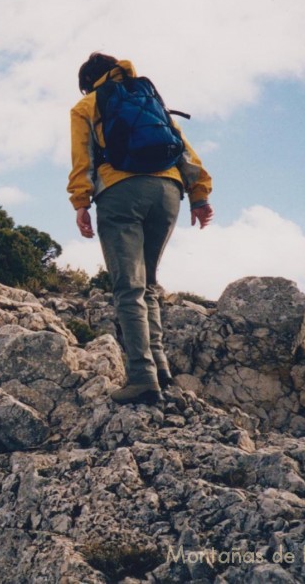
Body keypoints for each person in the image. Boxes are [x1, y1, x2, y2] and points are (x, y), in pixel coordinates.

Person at [68, 52, 213, 406]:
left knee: (128, 288)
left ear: (89, 82)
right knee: (148, 283)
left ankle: (141, 377)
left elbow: (82, 157)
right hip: (168, 191)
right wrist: (199, 195)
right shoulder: (148, 97)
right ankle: (161, 368)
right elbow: (183, 147)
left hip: (121, 191)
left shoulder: (87, 105)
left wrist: (81, 202)